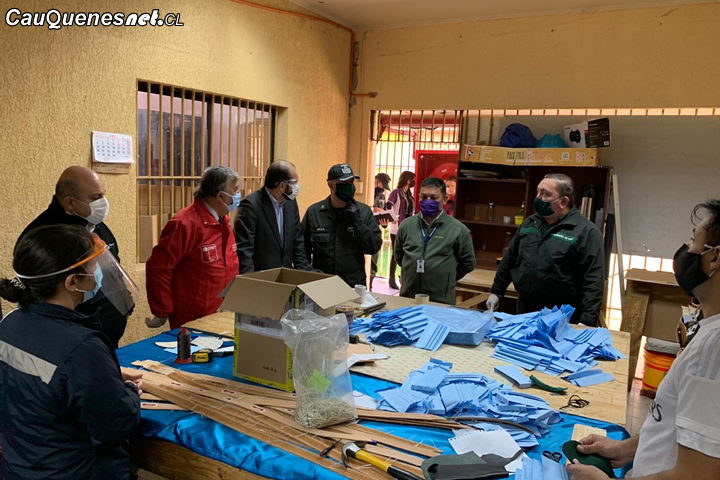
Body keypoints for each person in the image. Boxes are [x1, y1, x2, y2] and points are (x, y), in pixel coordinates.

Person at [566, 198, 720, 480]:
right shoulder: (709, 331)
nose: (686, 249)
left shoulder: (714, 350)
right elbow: (678, 426)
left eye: (693, 241)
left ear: (714, 258)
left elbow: (696, 475)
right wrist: (625, 449)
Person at [0, 225, 141, 480]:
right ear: (72, 282)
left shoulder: (9, 323)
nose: (98, 273)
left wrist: (100, 379)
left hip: (21, 466)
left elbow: (40, 383)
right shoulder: (81, 347)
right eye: (94, 266)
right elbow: (115, 425)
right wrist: (129, 391)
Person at [21, 166, 131, 348]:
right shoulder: (44, 237)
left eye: (103, 195)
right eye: (95, 198)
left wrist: (125, 308)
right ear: (70, 203)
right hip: (73, 337)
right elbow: (46, 297)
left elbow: (113, 270)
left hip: (105, 336)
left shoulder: (94, 224)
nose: (103, 203)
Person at [487, 174, 604, 326]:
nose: (538, 198)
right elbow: (509, 259)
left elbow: (593, 280)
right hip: (526, 310)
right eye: (538, 192)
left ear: (563, 202)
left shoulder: (586, 231)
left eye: (545, 194)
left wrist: (586, 321)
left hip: (562, 316)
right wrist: (496, 291)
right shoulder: (530, 223)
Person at [146, 166, 240, 329]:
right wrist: (162, 309)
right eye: (235, 191)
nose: (239, 195)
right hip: (193, 318)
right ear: (220, 196)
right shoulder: (185, 224)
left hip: (222, 313)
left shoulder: (222, 221)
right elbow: (159, 267)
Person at [394, 177, 475, 305]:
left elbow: (468, 263)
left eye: (434, 197)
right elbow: (399, 257)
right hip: (408, 298)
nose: (428, 201)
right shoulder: (406, 225)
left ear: (445, 199)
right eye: (424, 197)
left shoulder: (458, 230)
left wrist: (447, 277)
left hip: (440, 300)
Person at [302, 163, 382, 288]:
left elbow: (373, 247)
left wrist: (358, 223)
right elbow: (301, 249)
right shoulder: (314, 213)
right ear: (330, 185)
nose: (350, 186)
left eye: (351, 182)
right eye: (344, 183)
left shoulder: (363, 212)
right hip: (321, 284)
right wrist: (309, 272)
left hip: (352, 285)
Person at [235, 161, 311, 273]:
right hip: (261, 278)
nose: (297, 186)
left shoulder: (291, 203)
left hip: (286, 276)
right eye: (294, 182)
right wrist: (250, 281)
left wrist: (304, 274)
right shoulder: (251, 205)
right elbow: (245, 251)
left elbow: (298, 242)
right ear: (282, 186)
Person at [386, 171, 416, 290]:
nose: (413, 181)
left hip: (408, 228)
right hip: (397, 228)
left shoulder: (408, 194)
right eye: (412, 179)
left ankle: (403, 278)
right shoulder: (396, 192)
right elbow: (388, 206)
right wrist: (392, 217)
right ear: (408, 180)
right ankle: (391, 279)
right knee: (396, 253)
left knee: (407, 253)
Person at [370, 172, 392, 290]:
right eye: (382, 185)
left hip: (376, 230)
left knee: (374, 261)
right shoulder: (369, 193)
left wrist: (385, 222)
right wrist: (373, 209)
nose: (382, 189)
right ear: (376, 181)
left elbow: (384, 211)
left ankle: (370, 284)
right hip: (366, 229)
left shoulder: (382, 196)